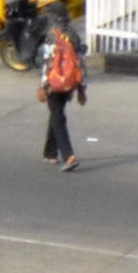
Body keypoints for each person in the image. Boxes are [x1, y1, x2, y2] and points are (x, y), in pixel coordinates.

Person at [39, 16, 87, 171]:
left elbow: (48, 64)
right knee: (56, 113)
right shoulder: (73, 35)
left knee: (58, 117)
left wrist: (43, 86)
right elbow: (80, 63)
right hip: (70, 84)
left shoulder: (52, 37)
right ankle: (50, 152)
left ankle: (69, 155)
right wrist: (81, 89)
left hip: (54, 84)